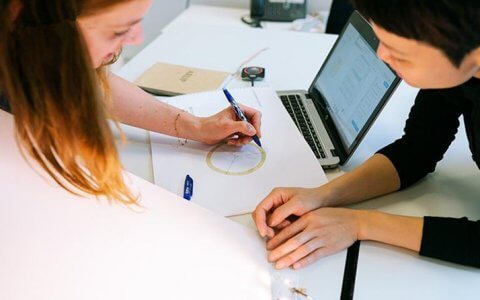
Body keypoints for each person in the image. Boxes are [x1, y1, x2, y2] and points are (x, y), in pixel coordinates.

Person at [253, 0, 480, 269]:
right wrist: (320, 196)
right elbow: (418, 149)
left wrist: (359, 224)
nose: (381, 56)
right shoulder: (455, 70)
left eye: (399, 53)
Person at [0, 0, 262, 204]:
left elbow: (94, 84)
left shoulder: (38, 45)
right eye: (119, 30)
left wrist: (196, 126)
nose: (136, 39)